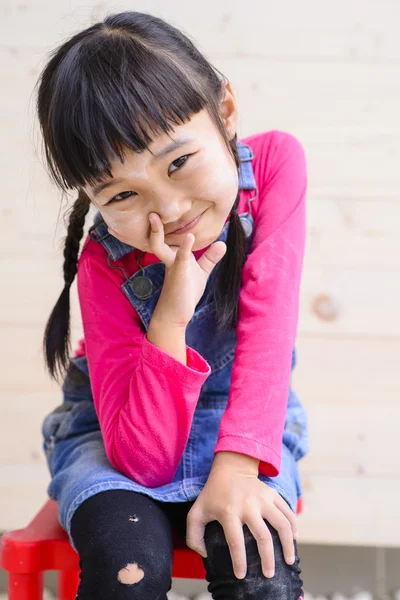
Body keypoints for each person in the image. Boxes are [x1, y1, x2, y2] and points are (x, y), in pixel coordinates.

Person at [36, 10, 309, 599]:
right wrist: (170, 318)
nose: (170, 210)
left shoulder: (277, 167)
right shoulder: (104, 263)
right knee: (127, 568)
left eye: (179, 162)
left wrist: (236, 468)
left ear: (226, 111)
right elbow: (143, 462)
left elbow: (269, 328)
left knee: (257, 569)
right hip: (117, 432)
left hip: (246, 416)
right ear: (92, 197)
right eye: (124, 194)